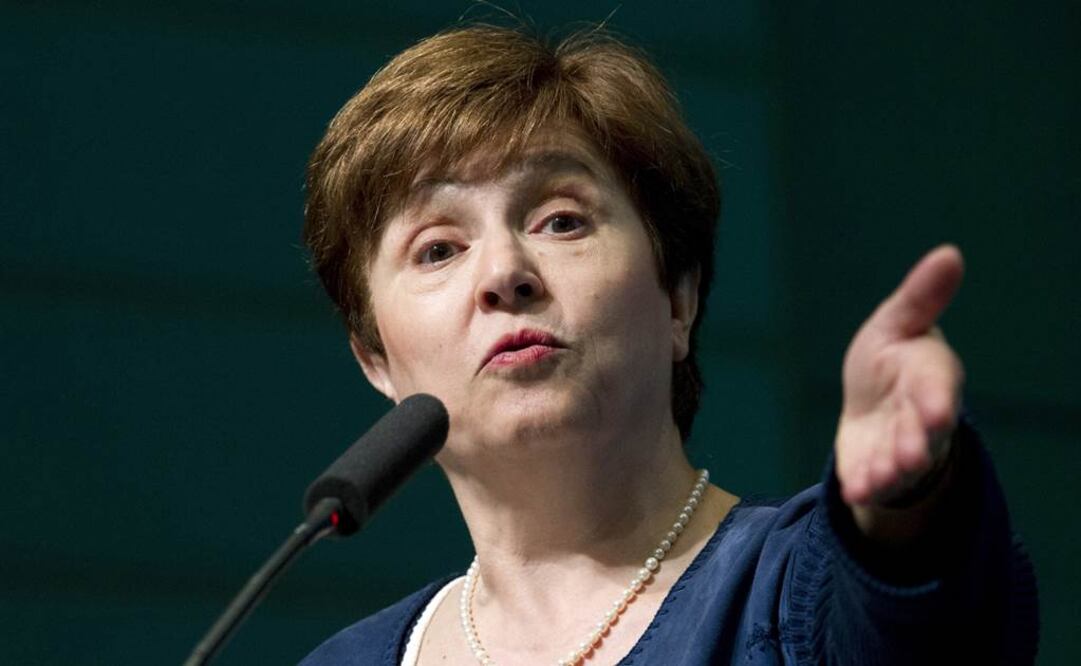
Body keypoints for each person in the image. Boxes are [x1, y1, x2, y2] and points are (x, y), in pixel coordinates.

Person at [298, 24, 1038, 665]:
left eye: (560, 220)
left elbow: (923, 621)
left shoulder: (796, 594)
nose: (503, 273)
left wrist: (903, 503)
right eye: (437, 249)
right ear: (375, 359)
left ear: (677, 298)